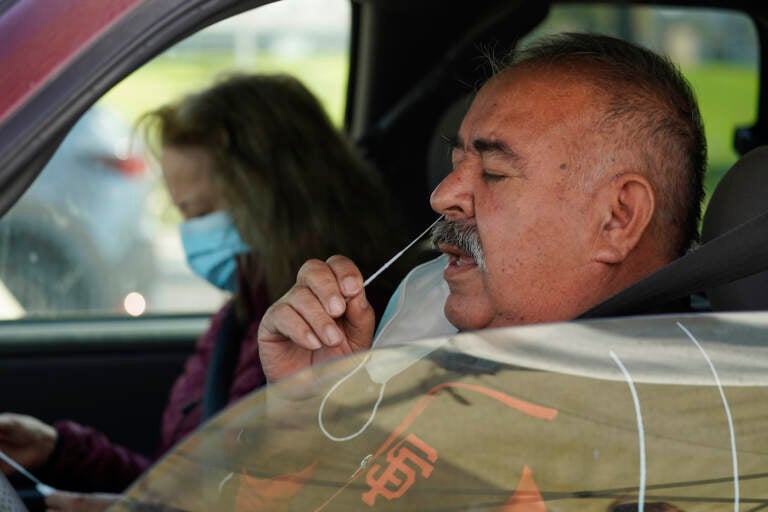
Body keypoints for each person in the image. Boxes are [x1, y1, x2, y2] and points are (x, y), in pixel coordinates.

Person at [0, 73, 405, 510]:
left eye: (202, 211)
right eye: (182, 213)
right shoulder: (238, 318)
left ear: (277, 195)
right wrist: (58, 449)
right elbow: (181, 480)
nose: (191, 234)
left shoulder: (353, 325)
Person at [256, 31, 706, 385]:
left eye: (492, 171)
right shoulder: (427, 301)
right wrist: (319, 405)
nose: (442, 196)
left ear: (617, 218)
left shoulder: (678, 418)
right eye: (456, 164)